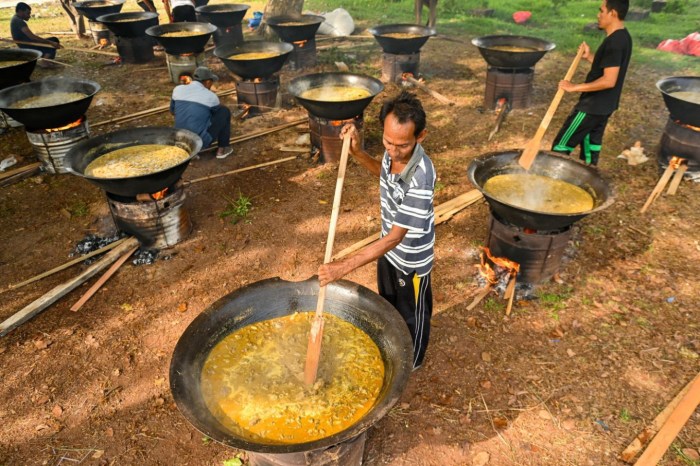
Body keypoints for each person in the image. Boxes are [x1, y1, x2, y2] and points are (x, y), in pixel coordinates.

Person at [318, 91, 436, 371]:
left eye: (402, 146)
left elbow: (397, 237)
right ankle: (393, 347)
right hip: (388, 253)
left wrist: (342, 267)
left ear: (420, 137)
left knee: (412, 316)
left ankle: (412, 362)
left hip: (410, 262)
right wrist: (358, 151)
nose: (393, 151)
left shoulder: (421, 175)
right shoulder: (391, 152)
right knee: (388, 306)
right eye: (388, 142)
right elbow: (382, 173)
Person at [551, 0, 632, 166]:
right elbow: (609, 68)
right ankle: (589, 185)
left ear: (613, 13)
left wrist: (574, 87)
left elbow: (609, 80)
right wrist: (589, 57)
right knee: (590, 150)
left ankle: (550, 187)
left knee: (559, 148)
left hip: (591, 106)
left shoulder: (614, 43)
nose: (598, 15)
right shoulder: (623, 37)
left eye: (601, 10)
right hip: (605, 106)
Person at [170, 67, 233, 159]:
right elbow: (216, 115)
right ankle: (222, 150)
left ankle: (187, 148)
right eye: (211, 82)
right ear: (207, 82)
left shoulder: (177, 89)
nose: (211, 85)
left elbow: (172, 111)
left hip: (179, 138)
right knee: (224, 111)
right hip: (198, 142)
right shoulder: (211, 97)